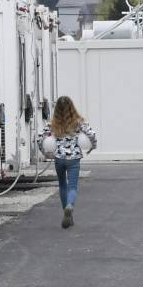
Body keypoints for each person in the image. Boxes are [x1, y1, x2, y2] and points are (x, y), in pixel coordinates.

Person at [40, 95, 97, 228]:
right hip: (74, 159)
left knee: (62, 185)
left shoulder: (52, 124)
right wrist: (92, 147)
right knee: (72, 187)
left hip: (59, 158)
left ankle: (67, 214)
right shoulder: (79, 122)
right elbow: (91, 135)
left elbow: (39, 138)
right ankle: (70, 206)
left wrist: (44, 152)